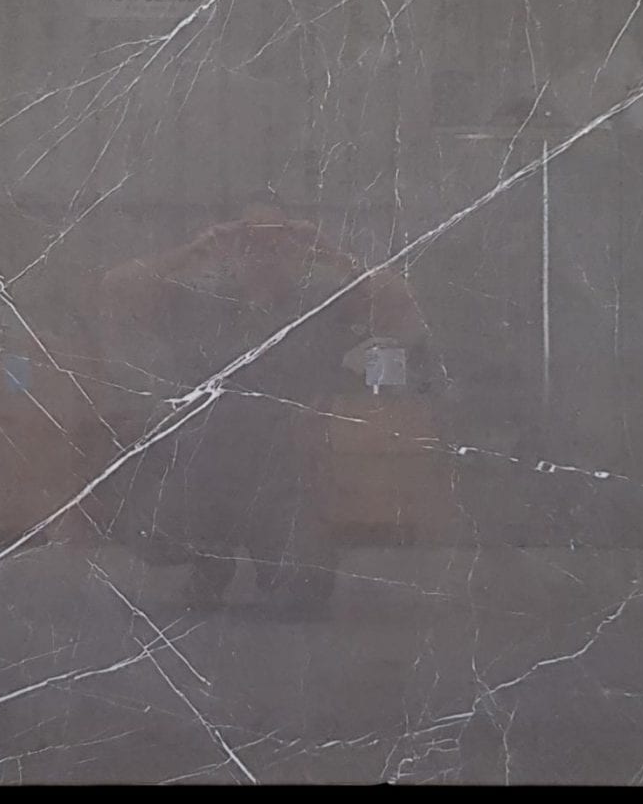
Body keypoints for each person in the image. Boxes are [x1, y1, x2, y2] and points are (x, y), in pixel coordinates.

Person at [93, 190, 430, 610]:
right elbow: (115, 289)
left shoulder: (319, 307)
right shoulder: (197, 305)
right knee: (152, 535)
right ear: (231, 246)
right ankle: (211, 559)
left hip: (282, 478)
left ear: (297, 248)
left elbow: (401, 306)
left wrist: (331, 253)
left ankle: (256, 558)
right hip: (201, 470)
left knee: (305, 586)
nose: (264, 253)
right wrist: (195, 251)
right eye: (250, 240)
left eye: (277, 241)